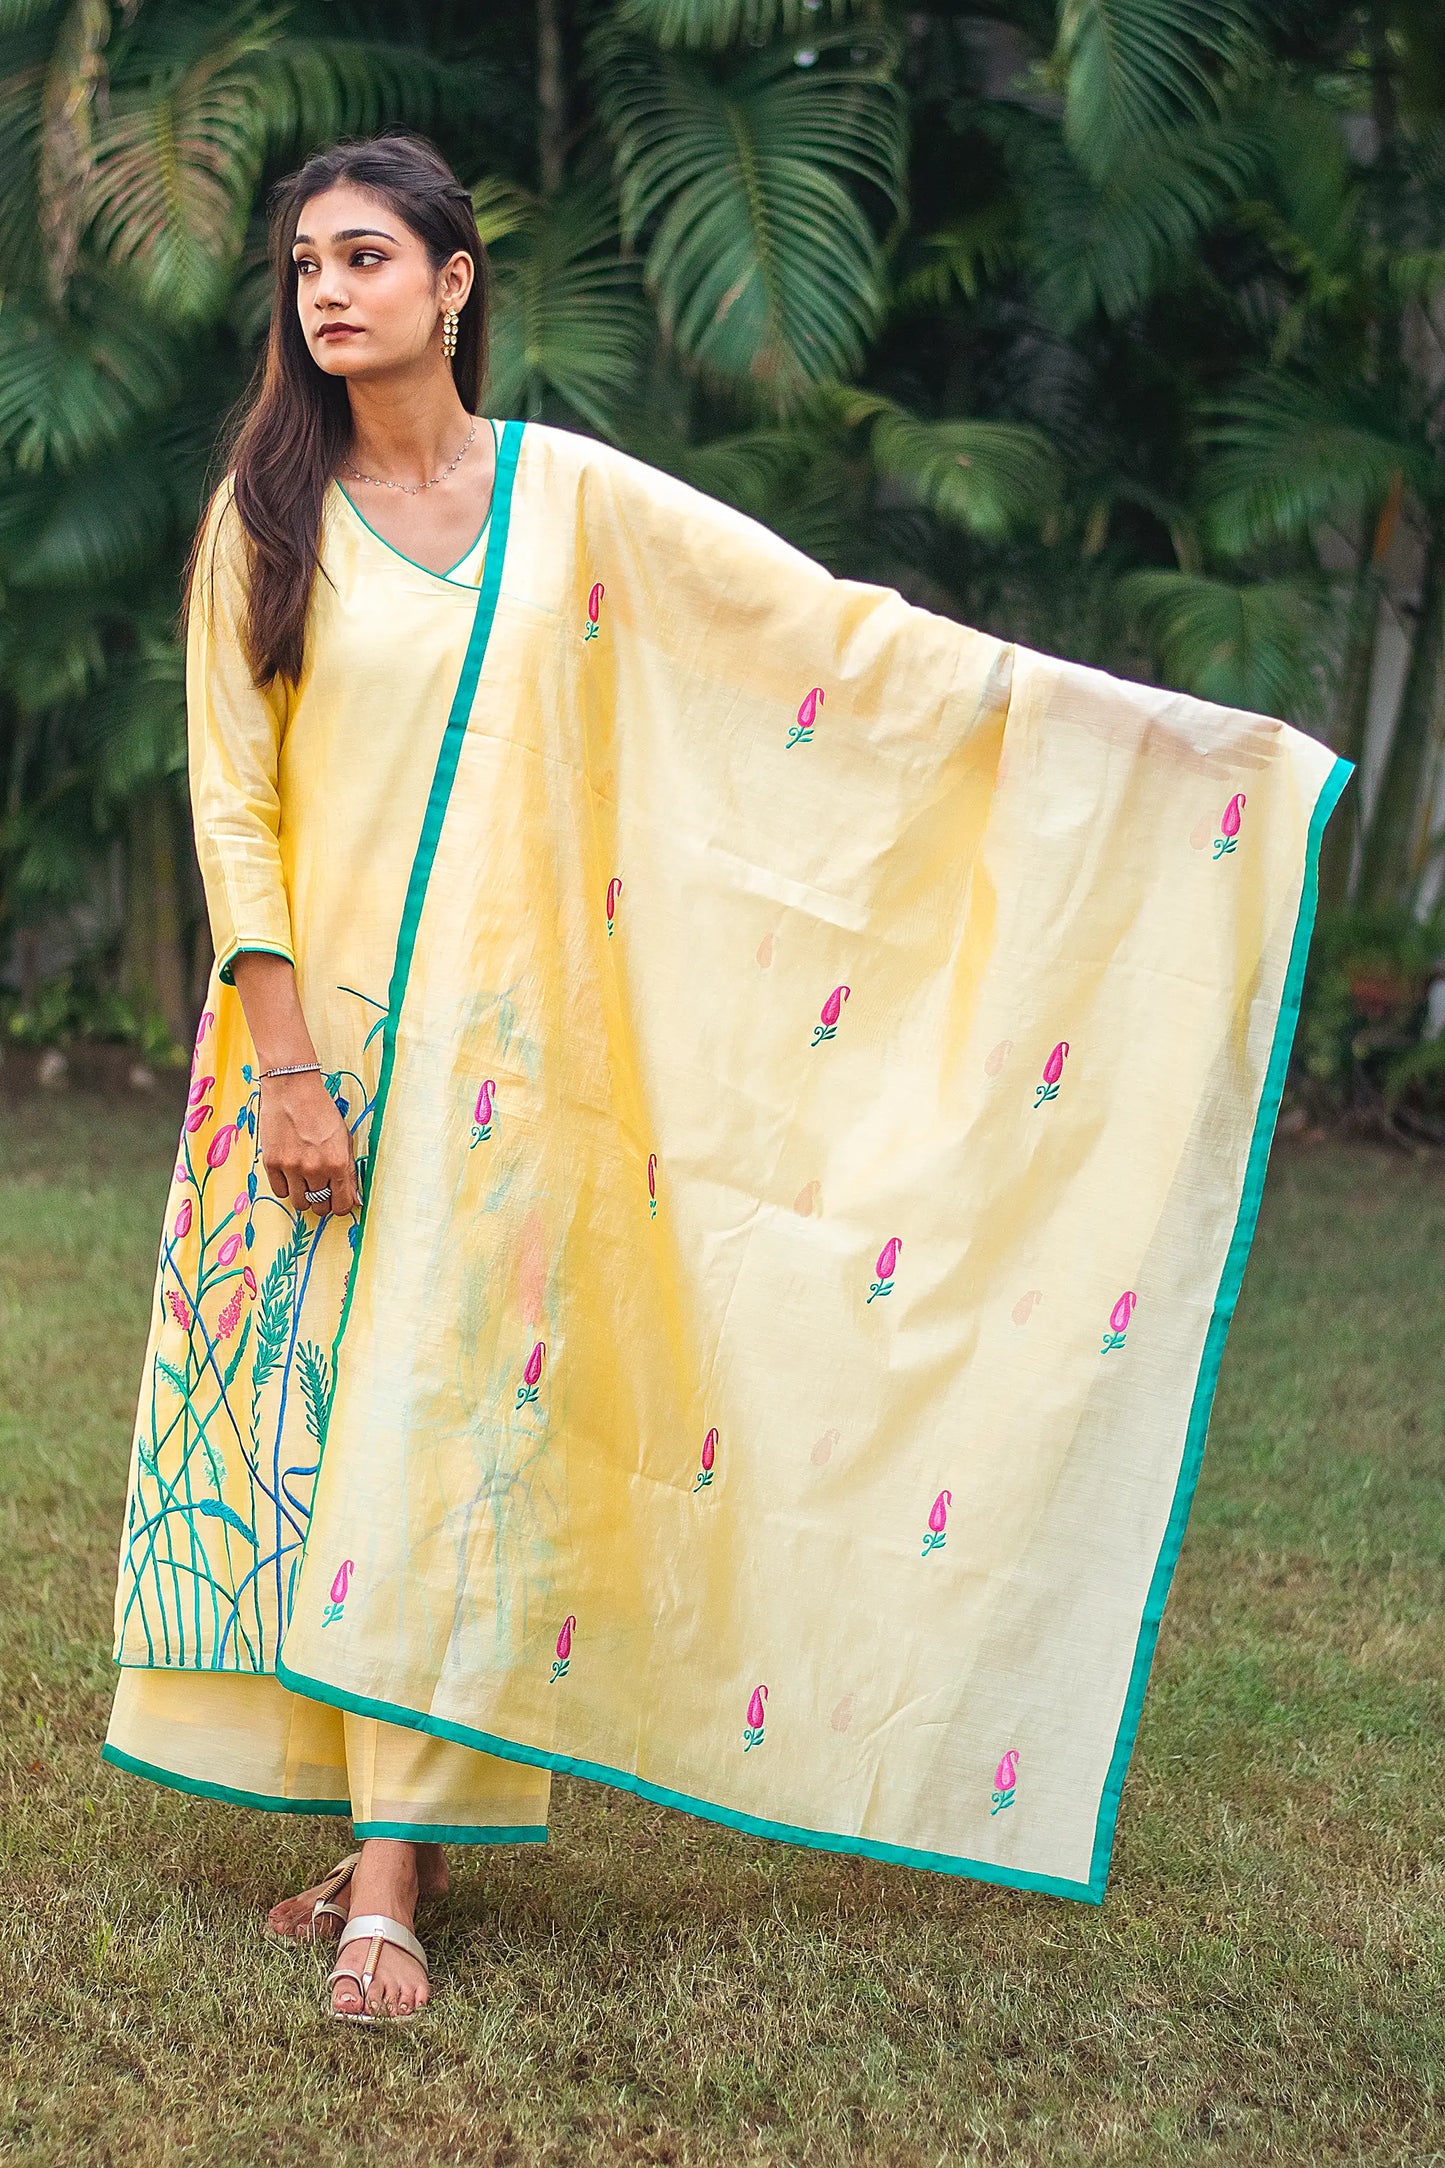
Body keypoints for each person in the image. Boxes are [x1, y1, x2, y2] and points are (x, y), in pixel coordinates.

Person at [105, 131, 1349, 2024]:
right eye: (300, 265)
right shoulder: (262, 519)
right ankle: (378, 1827)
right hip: (303, 1054)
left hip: (510, 1076)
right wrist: (282, 1062)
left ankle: (386, 1883)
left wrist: (1151, 749)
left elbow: (834, 645)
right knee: (305, 1442)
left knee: (442, 1438)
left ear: (457, 283)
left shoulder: (575, 503)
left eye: (367, 256)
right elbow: (232, 797)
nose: (326, 291)